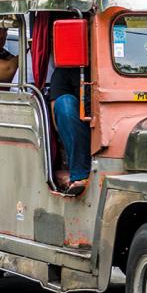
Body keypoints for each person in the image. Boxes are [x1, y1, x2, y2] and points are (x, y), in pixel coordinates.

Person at [50, 63, 90, 196]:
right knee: (65, 103)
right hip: (81, 134)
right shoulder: (65, 71)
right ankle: (80, 175)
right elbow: (58, 122)